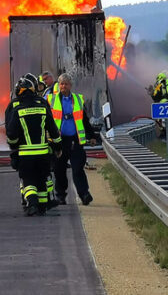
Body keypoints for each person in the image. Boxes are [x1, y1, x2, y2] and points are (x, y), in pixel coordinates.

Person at [6, 75, 61, 216]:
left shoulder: (17, 109)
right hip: (43, 152)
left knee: (28, 179)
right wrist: (57, 146)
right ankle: (42, 206)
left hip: (25, 153)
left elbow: (11, 133)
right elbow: (53, 130)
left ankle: (32, 204)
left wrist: (13, 147)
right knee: (42, 178)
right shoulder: (42, 106)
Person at [47, 73, 99, 206]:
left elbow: (84, 120)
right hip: (59, 142)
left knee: (78, 169)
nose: (63, 86)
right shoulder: (51, 100)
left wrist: (92, 136)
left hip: (75, 141)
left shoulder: (77, 99)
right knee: (59, 170)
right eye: (61, 84)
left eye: (66, 84)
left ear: (70, 85)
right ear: (58, 85)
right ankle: (60, 195)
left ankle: (84, 194)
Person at [150, 71, 168, 137]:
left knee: (161, 119)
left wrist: (151, 93)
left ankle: (164, 133)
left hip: (163, 106)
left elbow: (156, 97)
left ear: (159, 78)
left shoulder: (159, 86)